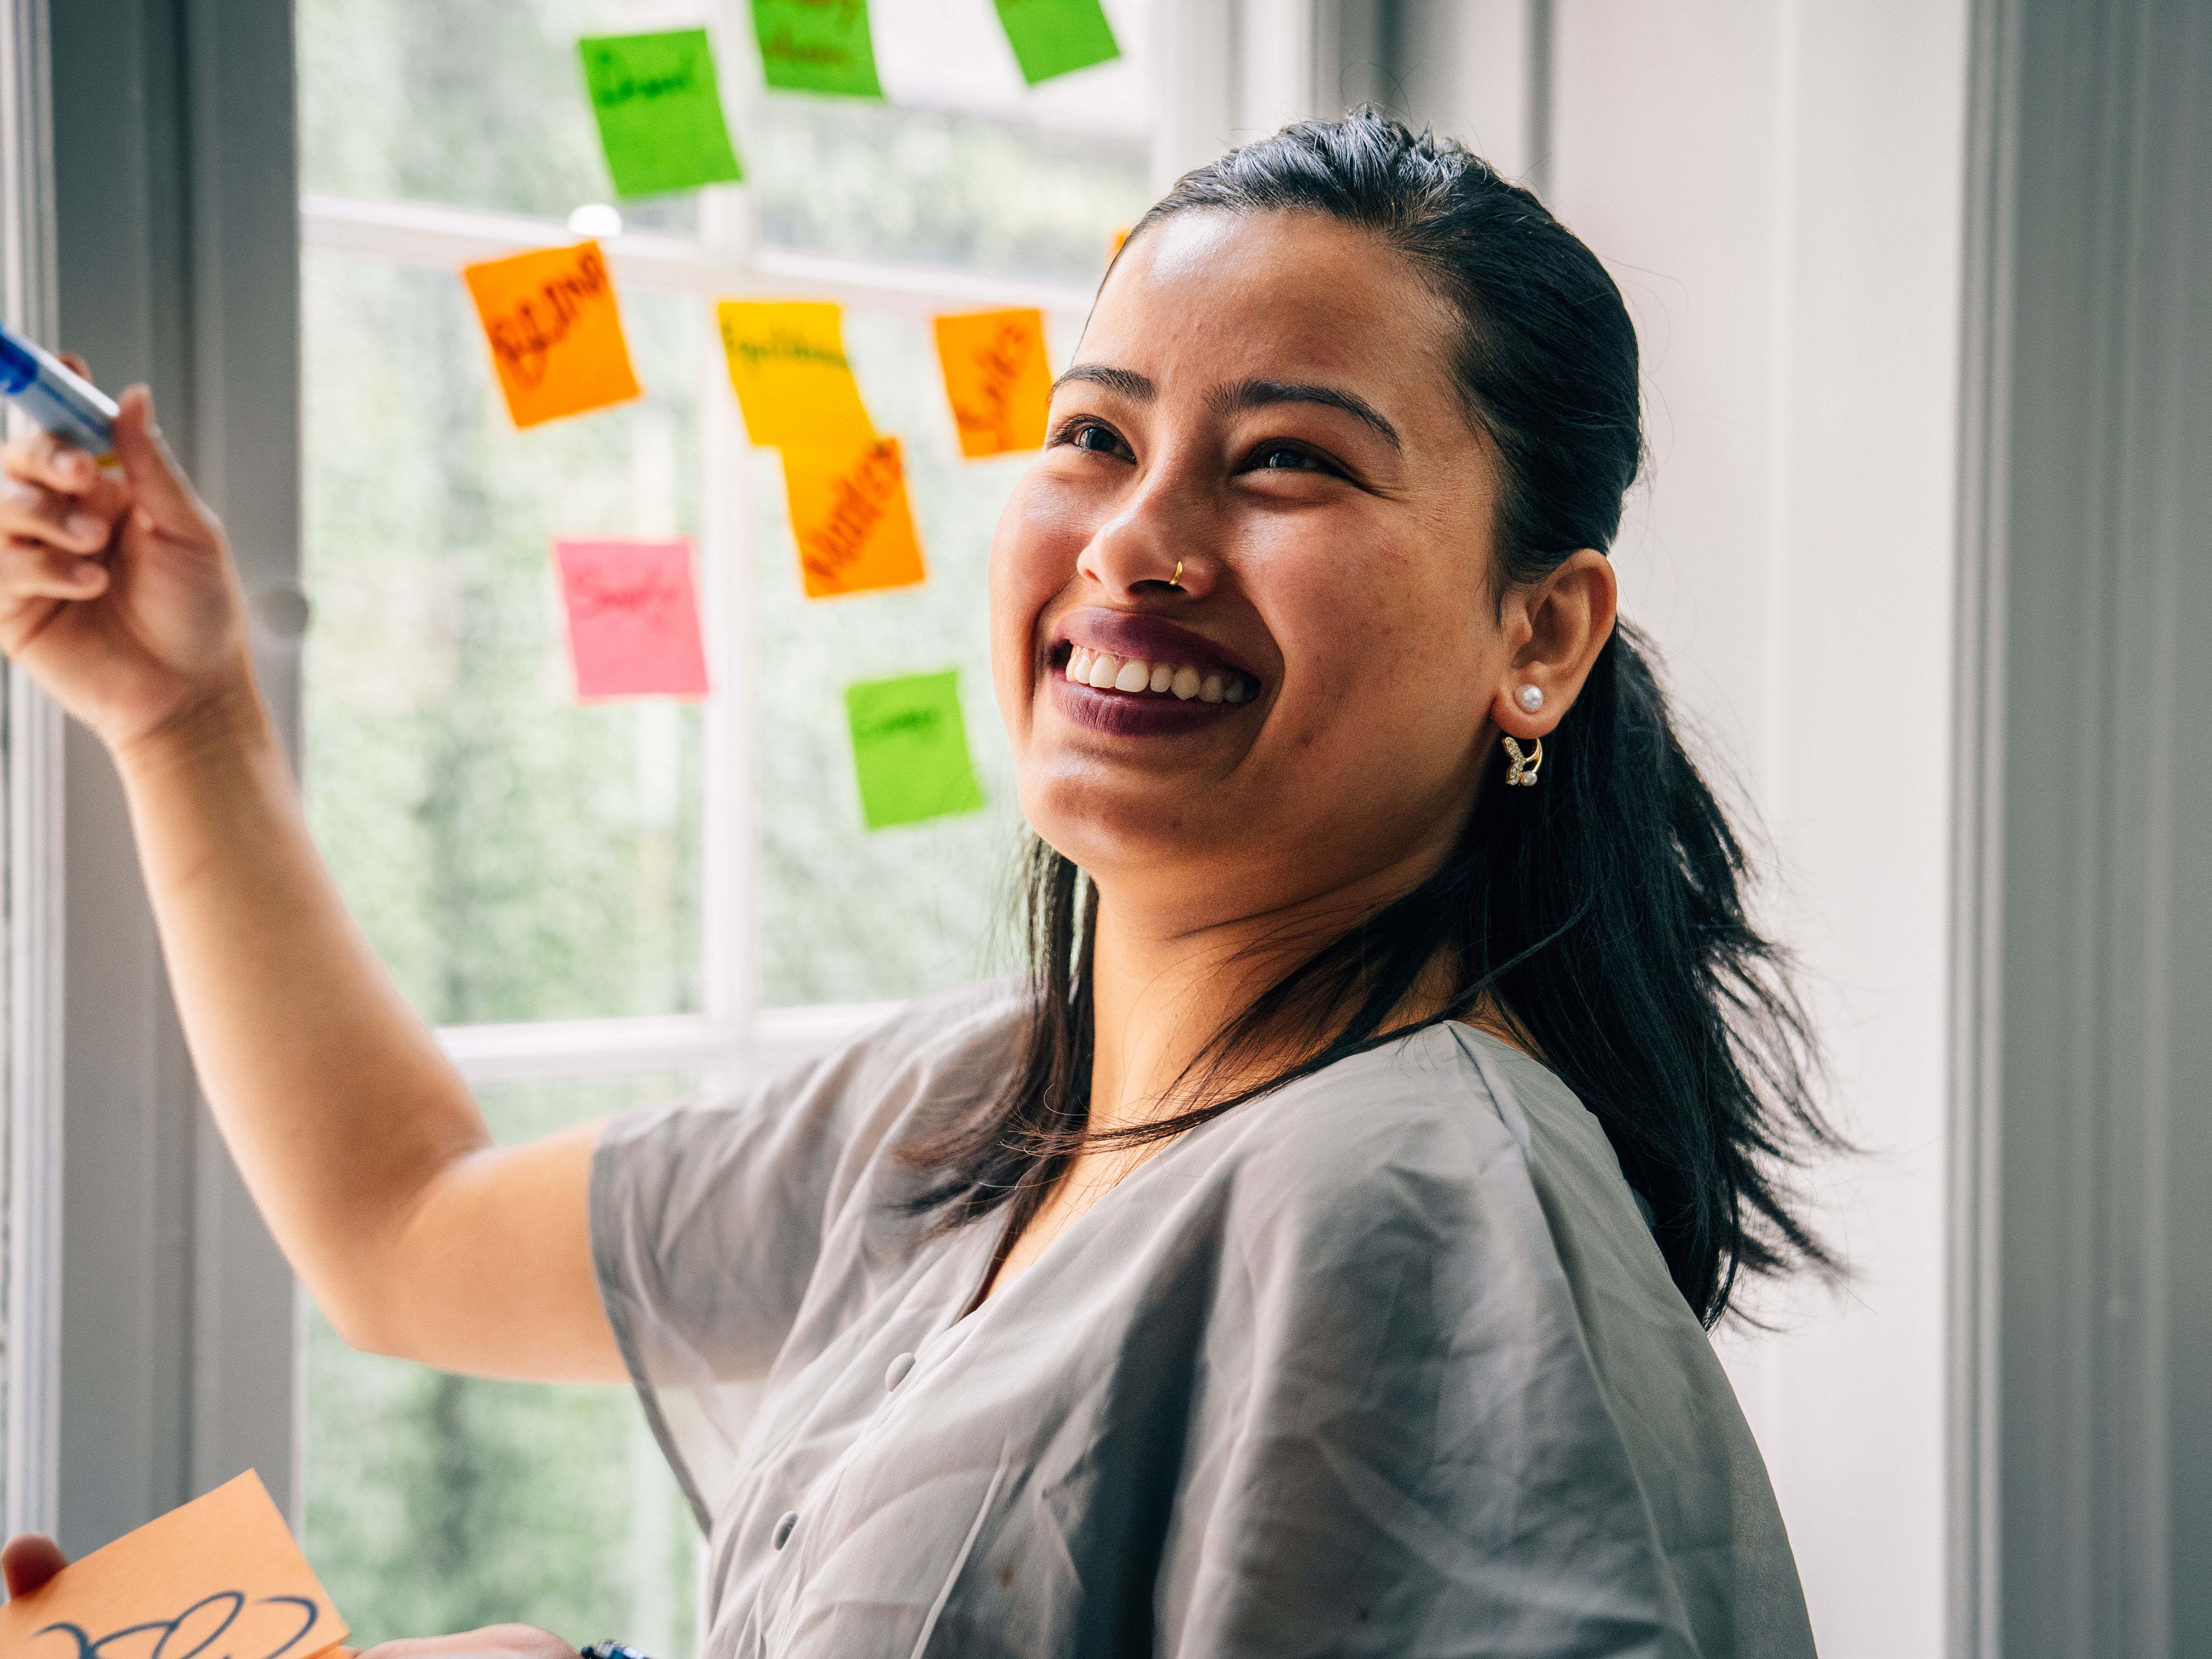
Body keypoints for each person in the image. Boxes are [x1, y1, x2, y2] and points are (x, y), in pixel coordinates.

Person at [0, 113, 1836, 1657]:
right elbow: (402, 1232)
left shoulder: (1420, 1211)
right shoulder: (984, 1101)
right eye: (1098, 435)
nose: (1133, 541)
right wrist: (187, 716)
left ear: (1540, 631)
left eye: (1287, 462)